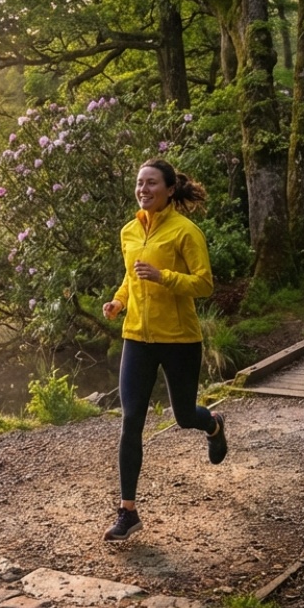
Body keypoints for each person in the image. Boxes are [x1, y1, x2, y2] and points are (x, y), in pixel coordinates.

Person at [100, 158, 227, 542]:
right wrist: (118, 302)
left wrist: (164, 277)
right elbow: (129, 274)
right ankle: (128, 512)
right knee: (131, 420)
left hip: (179, 339)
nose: (143, 190)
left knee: (184, 415)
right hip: (137, 336)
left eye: (151, 183)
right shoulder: (128, 231)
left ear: (169, 189)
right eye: (139, 183)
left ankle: (213, 424)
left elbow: (204, 284)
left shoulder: (185, 232)